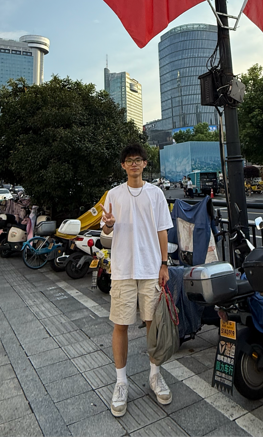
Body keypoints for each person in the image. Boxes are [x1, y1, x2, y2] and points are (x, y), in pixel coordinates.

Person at [101, 143, 174, 418]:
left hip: (151, 269)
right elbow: (106, 231)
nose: (133, 163)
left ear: (145, 163)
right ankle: (121, 382)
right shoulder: (114, 194)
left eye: (138, 159)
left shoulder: (155, 194)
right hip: (123, 269)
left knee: (153, 324)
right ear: (123, 166)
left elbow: (162, 231)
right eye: (129, 160)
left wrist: (164, 264)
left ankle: (155, 375)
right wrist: (109, 224)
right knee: (120, 324)